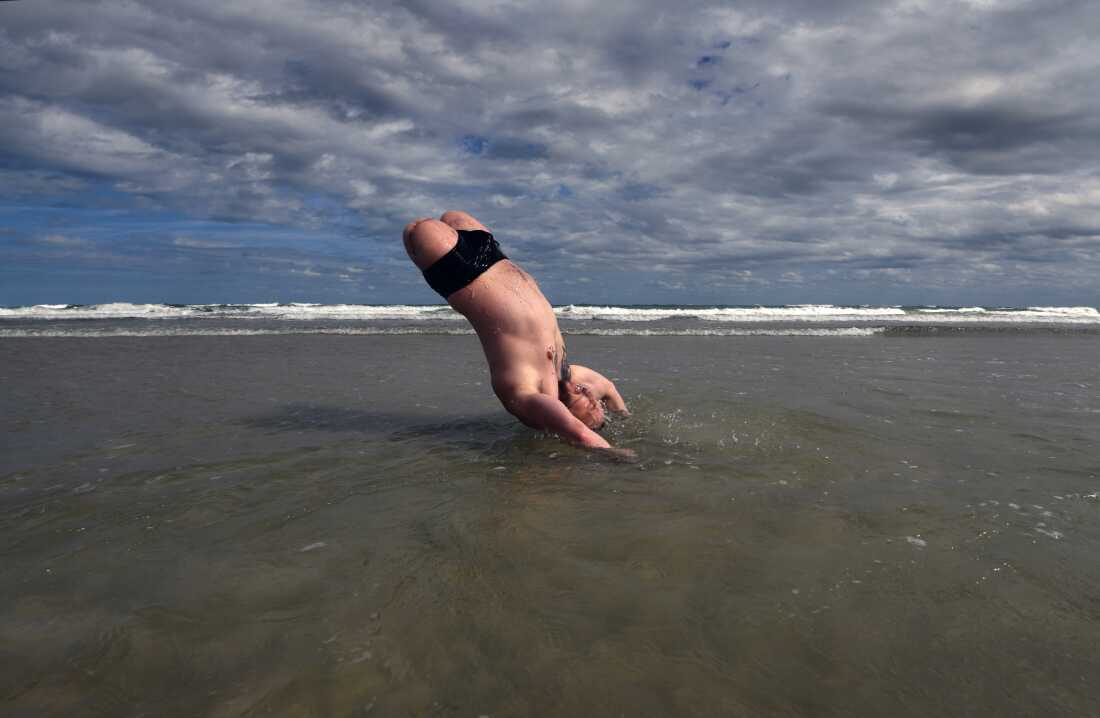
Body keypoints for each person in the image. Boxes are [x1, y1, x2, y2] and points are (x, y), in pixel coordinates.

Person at [402, 211, 630, 451]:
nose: (595, 400)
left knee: (420, 228)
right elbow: (609, 389)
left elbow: (581, 435)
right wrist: (623, 416)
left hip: (464, 274)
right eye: (599, 405)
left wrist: (620, 456)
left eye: (591, 408)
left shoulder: (528, 394)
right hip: (496, 257)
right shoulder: (567, 373)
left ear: (565, 417)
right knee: (451, 215)